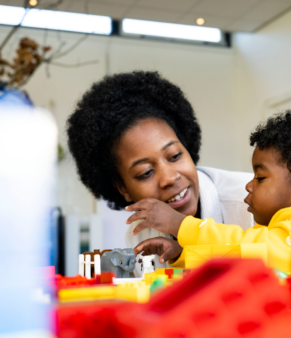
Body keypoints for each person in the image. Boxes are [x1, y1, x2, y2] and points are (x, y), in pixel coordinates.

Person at [129, 109, 291, 275]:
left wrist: (182, 225)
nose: (248, 185)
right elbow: (241, 256)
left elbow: (252, 250)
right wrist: (183, 254)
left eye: (260, 177)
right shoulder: (280, 232)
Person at [66, 71, 254, 272]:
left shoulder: (251, 204)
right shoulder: (141, 235)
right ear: (123, 189)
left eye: (174, 156)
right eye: (145, 172)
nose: (169, 178)